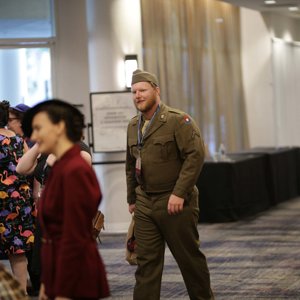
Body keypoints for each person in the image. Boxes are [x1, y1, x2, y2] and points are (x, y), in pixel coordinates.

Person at [125, 69, 214, 300]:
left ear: (156, 90)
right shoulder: (133, 125)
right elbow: (130, 164)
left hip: (174, 201)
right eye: (134, 91)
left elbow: (195, 157)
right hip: (145, 202)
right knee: (145, 264)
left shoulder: (178, 120)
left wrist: (179, 193)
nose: (137, 95)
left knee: (189, 260)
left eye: (142, 90)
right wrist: (132, 199)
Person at [22, 99, 110, 300]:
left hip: (73, 277)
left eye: (38, 128)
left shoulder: (74, 170)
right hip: (59, 271)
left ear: (60, 127)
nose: (33, 136)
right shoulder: (62, 166)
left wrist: (62, 287)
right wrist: (48, 282)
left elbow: (74, 238)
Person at [0, 100, 35, 293]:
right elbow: (29, 168)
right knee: (18, 252)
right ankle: (20, 293)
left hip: (2, 203)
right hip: (19, 204)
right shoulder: (18, 140)